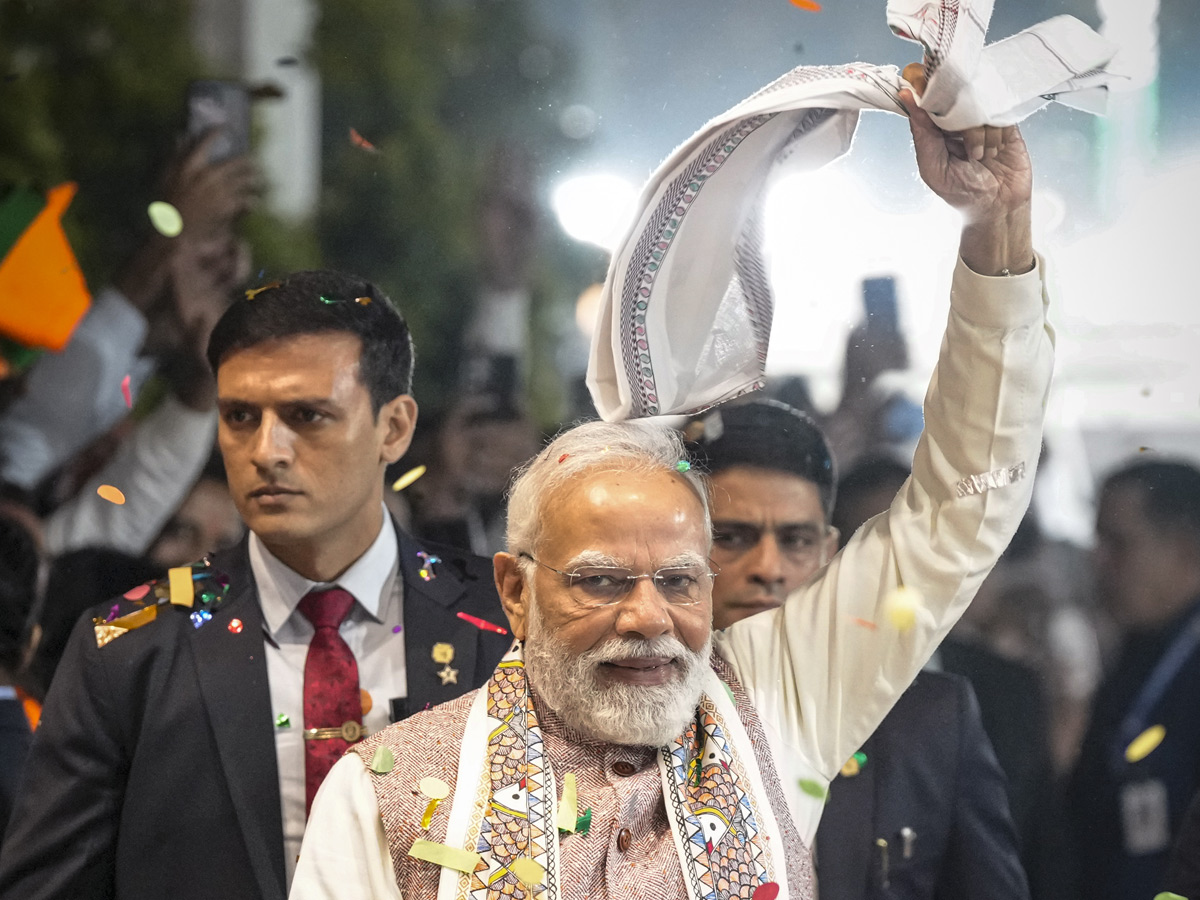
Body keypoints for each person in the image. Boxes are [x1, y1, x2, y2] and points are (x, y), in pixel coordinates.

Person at [289, 80, 1054, 899]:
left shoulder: (776, 699)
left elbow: (961, 510)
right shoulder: (383, 793)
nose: (648, 618)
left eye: (680, 581)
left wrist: (997, 233)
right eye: (601, 581)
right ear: (515, 588)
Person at [0, 271, 512, 900]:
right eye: (241, 416)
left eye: (307, 416)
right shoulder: (127, 649)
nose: (267, 450)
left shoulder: (508, 628)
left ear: (394, 429)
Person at [690, 399, 1028, 900]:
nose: (768, 567)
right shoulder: (636, 713)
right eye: (732, 537)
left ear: (830, 555)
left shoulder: (928, 720)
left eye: (795, 540)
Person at [1067, 460, 1200, 900]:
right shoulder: (1137, 650)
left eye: (1118, 544)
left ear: (1188, 551)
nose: (1099, 561)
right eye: (1098, 541)